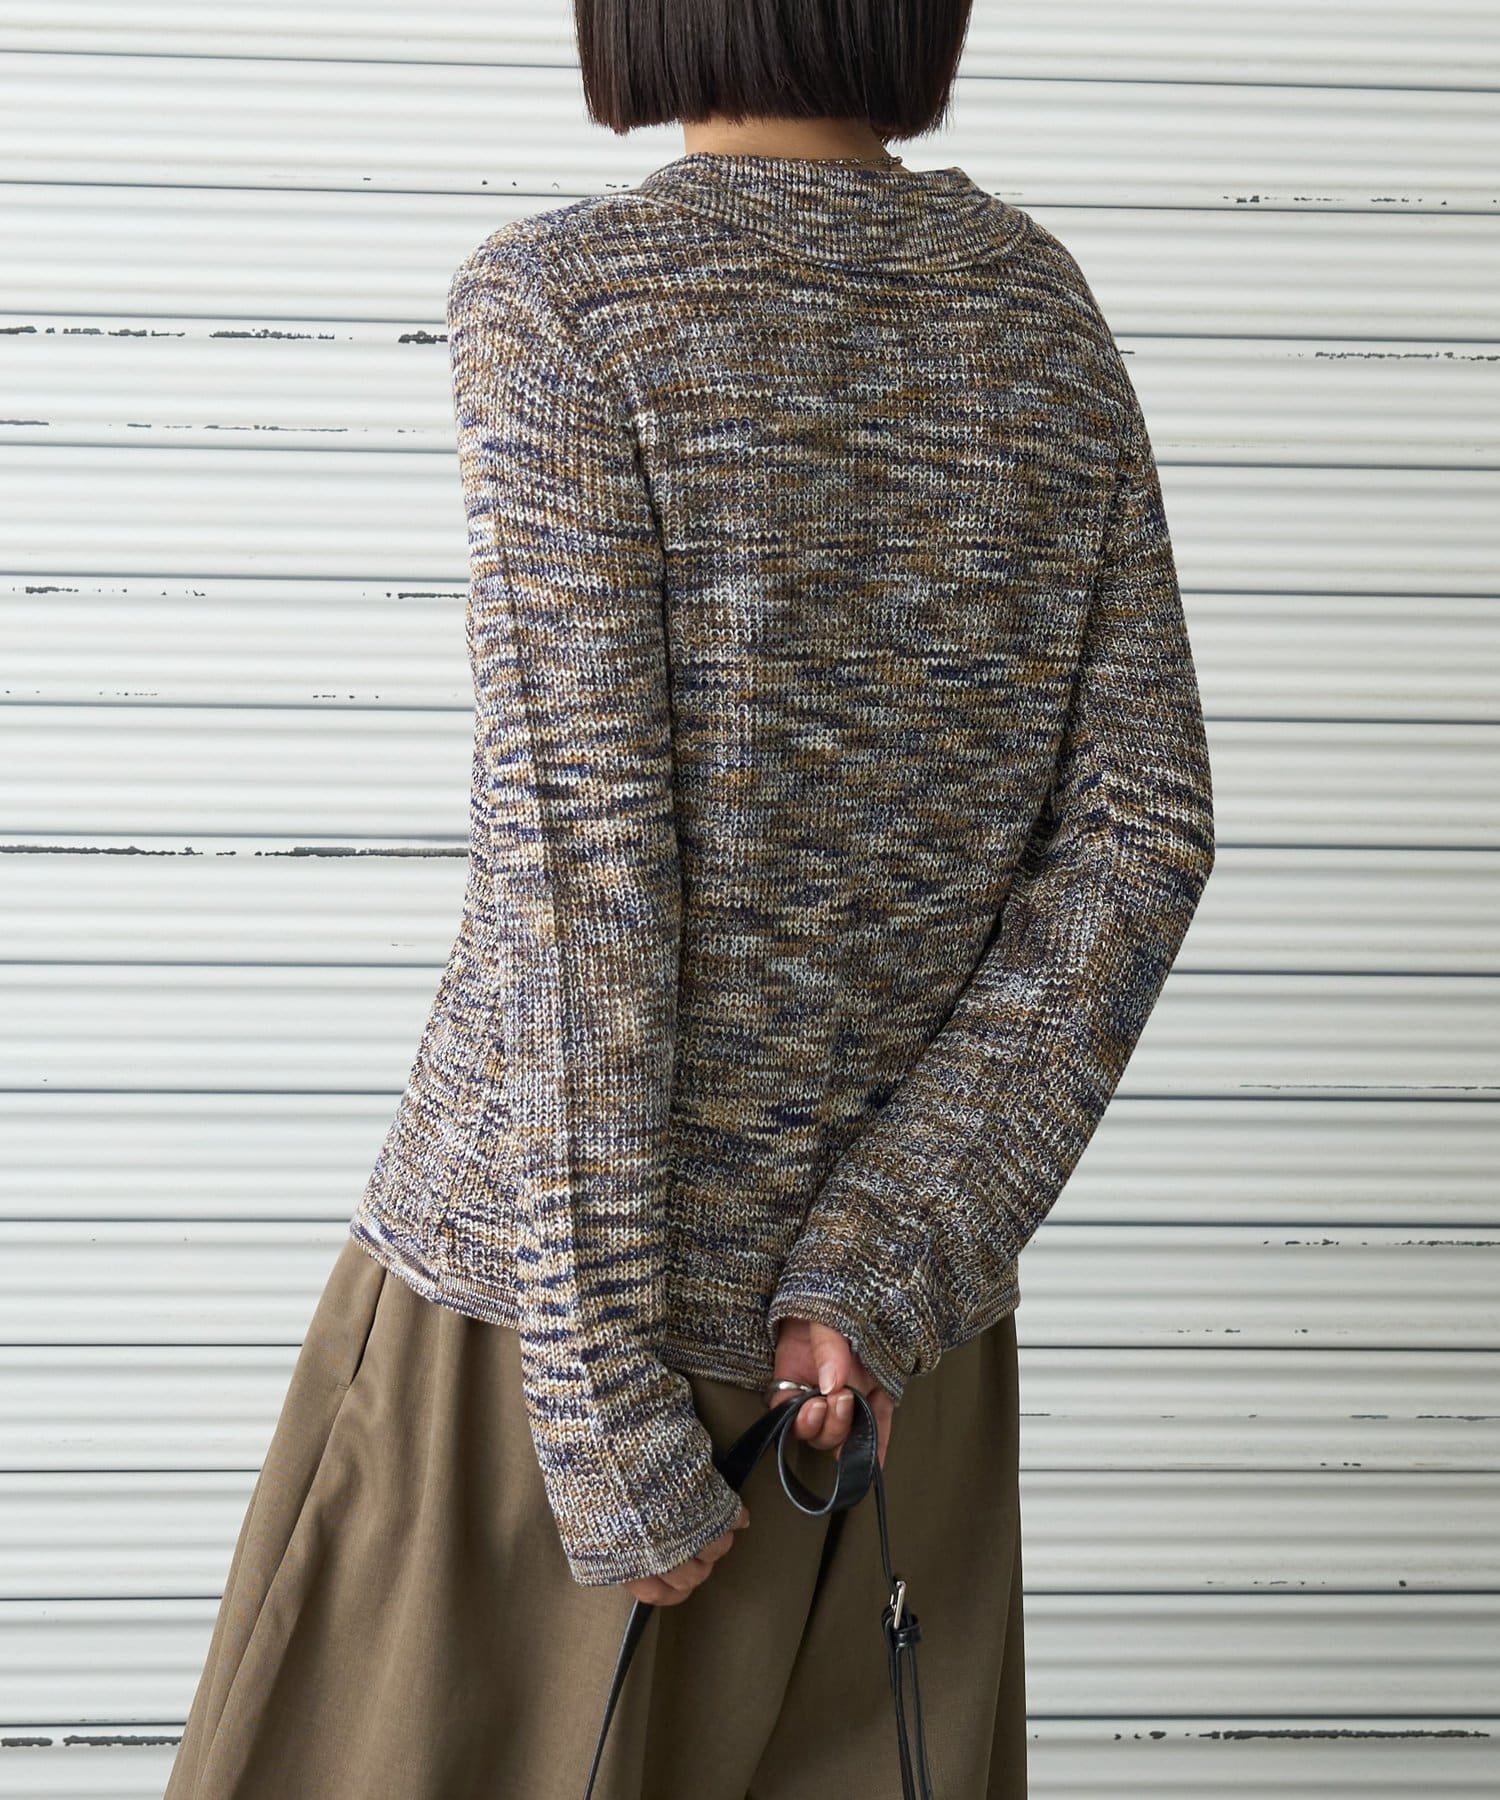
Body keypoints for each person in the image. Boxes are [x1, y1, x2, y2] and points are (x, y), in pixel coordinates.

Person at [163, 0, 1215, 1794]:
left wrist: (593, 1399)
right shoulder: (1039, 314)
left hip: (542, 1347)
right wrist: (886, 1258)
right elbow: (1144, 837)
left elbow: (583, 877)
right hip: (872, 1388)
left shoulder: (567, 302)